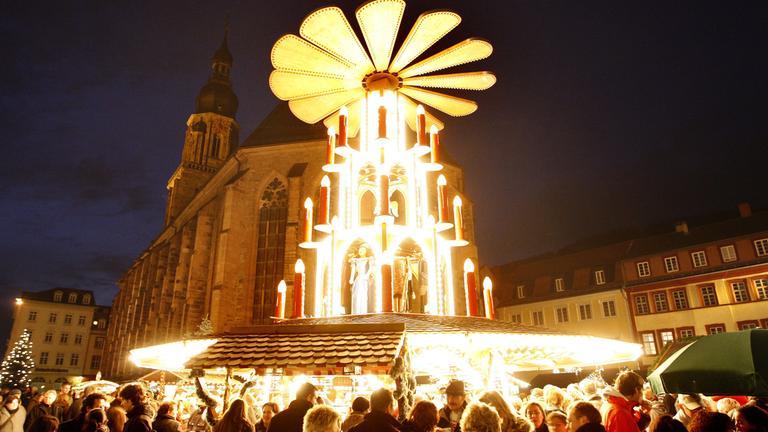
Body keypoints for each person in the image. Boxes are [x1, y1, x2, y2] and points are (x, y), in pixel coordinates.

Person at [349, 246, 373, 314]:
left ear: (366, 251)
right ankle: (356, 312)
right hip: (358, 279)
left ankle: (363, 311)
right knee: (356, 295)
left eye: (362, 249)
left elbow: (370, 268)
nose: (361, 251)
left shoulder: (369, 259)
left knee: (364, 295)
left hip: (365, 279)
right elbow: (353, 270)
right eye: (360, 249)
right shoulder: (355, 260)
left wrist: (366, 276)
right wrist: (351, 279)